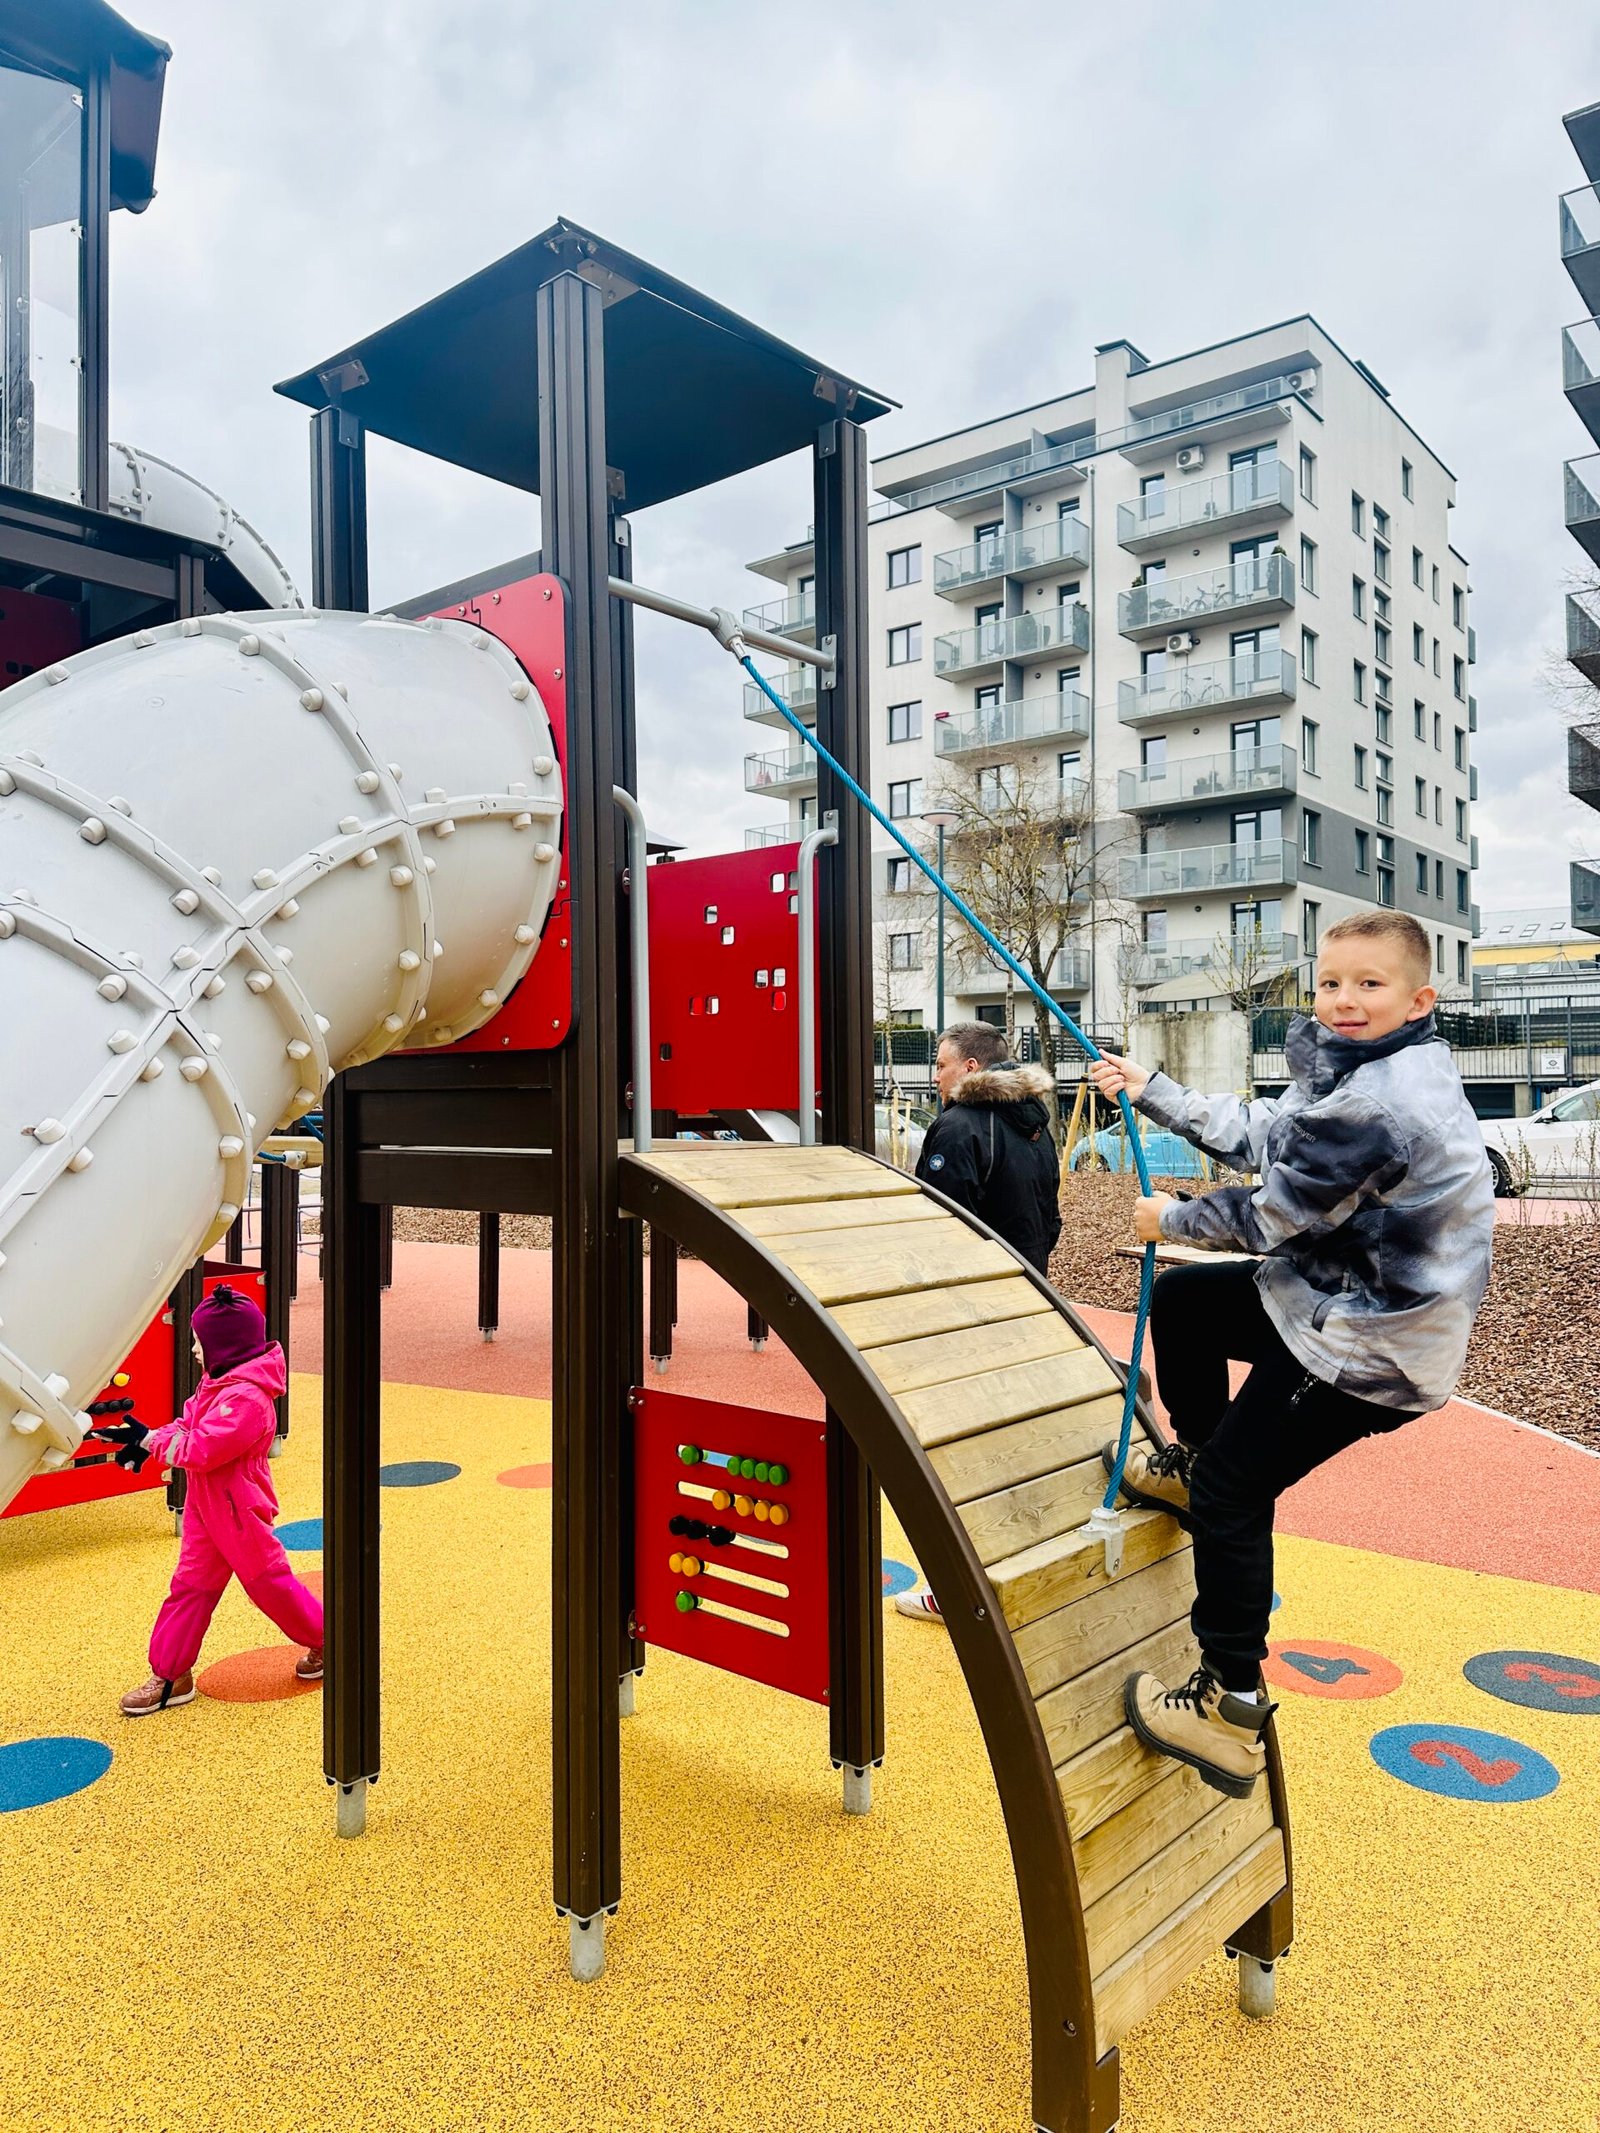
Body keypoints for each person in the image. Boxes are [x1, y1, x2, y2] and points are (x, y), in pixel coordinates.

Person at [1086, 910, 1493, 1799]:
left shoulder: (1383, 1100)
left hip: (1375, 1345)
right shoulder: (1359, 1066)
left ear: (1420, 998)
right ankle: (1198, 1465)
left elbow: (1274, 1212)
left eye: (1369, 985)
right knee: (1187, 1303)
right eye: (1330, 983)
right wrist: (1151, 1085)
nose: (1344, 1001)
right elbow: (1270, 1130)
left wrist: (1175, 1220)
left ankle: (1230, 1704)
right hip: (1329, 1298)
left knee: (1239, 1488)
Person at [93, 1283, 324, 1716]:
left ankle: (330, 1638)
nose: (195, 1350)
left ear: (223, 1345)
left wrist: (151, 1440)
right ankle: (171, 1674)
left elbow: (200, 1448)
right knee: (189, 1587)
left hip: (239, 1510)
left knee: (270, 1586)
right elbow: (186, 1427)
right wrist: (148, 1441)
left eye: (199, 1342)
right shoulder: (218, 1384)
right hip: (206, 1507)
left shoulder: (248, 1399)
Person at [896, 1021, 1063, 1623]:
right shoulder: (1035, 1123)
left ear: (970, 1068)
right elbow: (1049, 1210)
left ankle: (958, 1589)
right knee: (1014, 1440)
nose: (934, 1074)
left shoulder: (960, 1126)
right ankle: (1027, 1565)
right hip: (1027, 1292)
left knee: (959, 1454)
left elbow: (938, 1225)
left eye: (941, 1064)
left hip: (971, 1309)